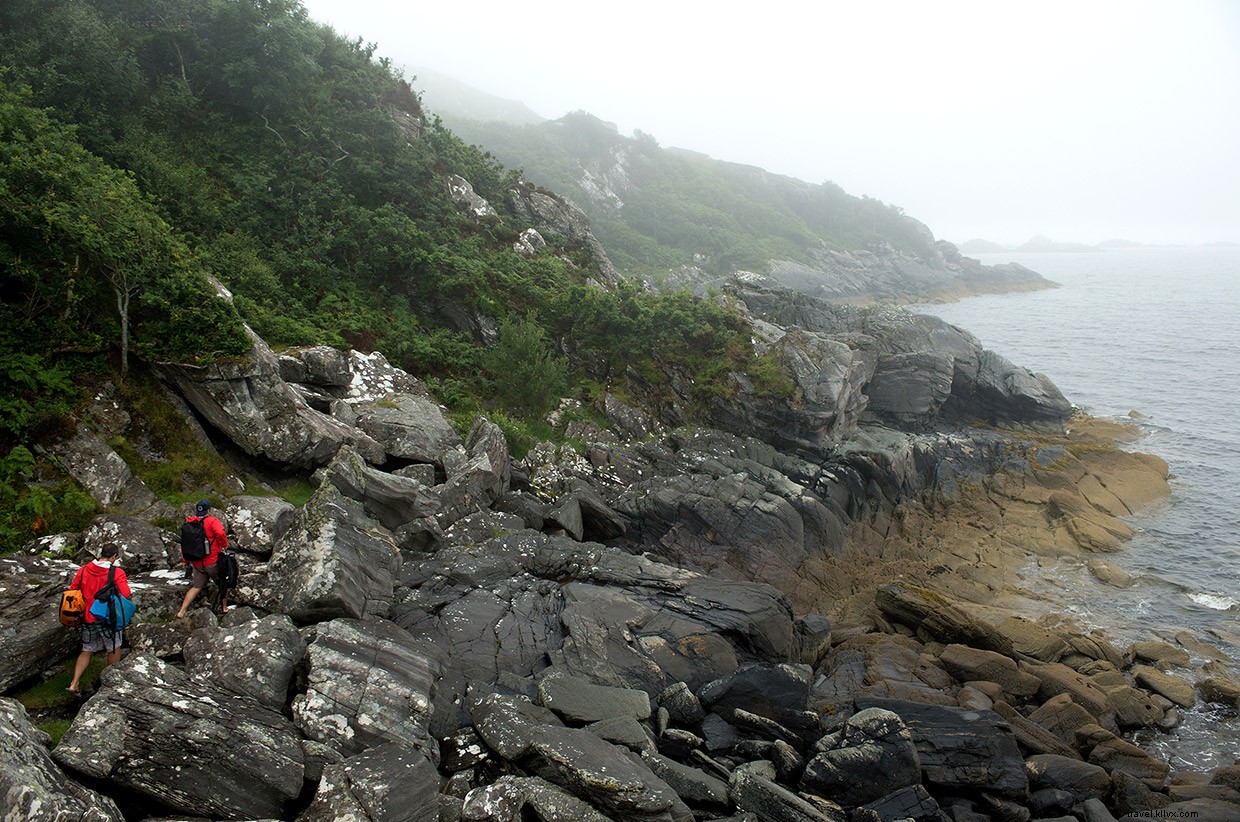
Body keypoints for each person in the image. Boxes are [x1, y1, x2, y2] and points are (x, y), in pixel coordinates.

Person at [66, 542, 131, 695]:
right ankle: (111, 683)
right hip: (107, 617)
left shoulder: (83, 570)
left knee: (87, 649)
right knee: (113, 647)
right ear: (114, 556)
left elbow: (73, 590)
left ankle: (74, 683)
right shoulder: (117, 573)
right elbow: (126, 593)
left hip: (86, 617)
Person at [176, 499, 229, 618]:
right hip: (211, 561)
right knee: (223, 583)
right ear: (209, 510)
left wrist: (187, 561)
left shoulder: (190, 522)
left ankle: (181, 611)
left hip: (196, 563)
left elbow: (186, 543)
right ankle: (224, 608)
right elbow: (220, 533)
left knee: (196, 587)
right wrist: (223, 545)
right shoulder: (212, 521)